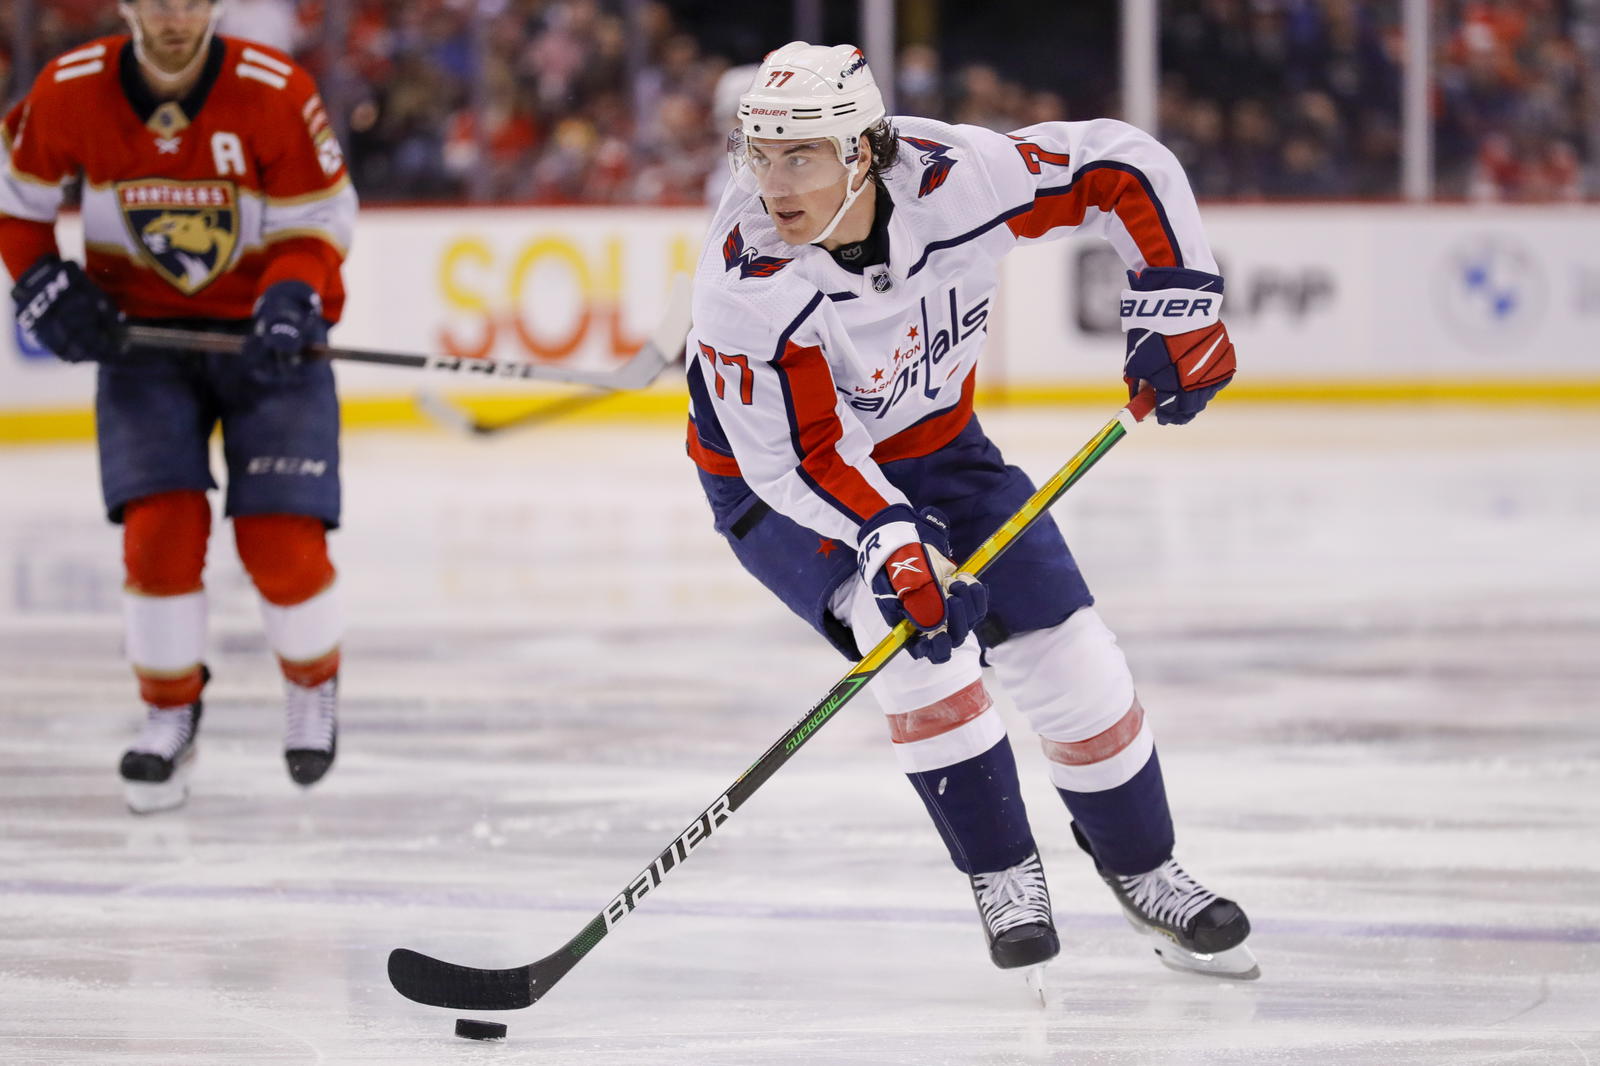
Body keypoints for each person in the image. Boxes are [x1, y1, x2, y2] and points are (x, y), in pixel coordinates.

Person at [685, 43, 1253, 981]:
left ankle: (1146, 869)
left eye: (801, 156)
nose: (772, 185)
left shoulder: (959, 179)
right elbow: (801, 460)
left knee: (1074, 653)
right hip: (783, 489)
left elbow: (1121, 165)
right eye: (760, 154)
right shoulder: (745, 286)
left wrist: (1180, 304)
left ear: (864, 152)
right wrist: (891, 541)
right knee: (914, 641)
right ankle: (1002, 873)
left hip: (942, 449)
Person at [1, 0, 357, 813]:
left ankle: (312, 687)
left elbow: (320, 218)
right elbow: (15, 204)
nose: (175, 17)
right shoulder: (69, 89)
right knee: (158, 536)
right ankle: (168, 712)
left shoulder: (274, 88)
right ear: (126, 5)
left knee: (282, 542)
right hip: (142, 346)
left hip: (267, 342)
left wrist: (290, 295)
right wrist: (42, 283)